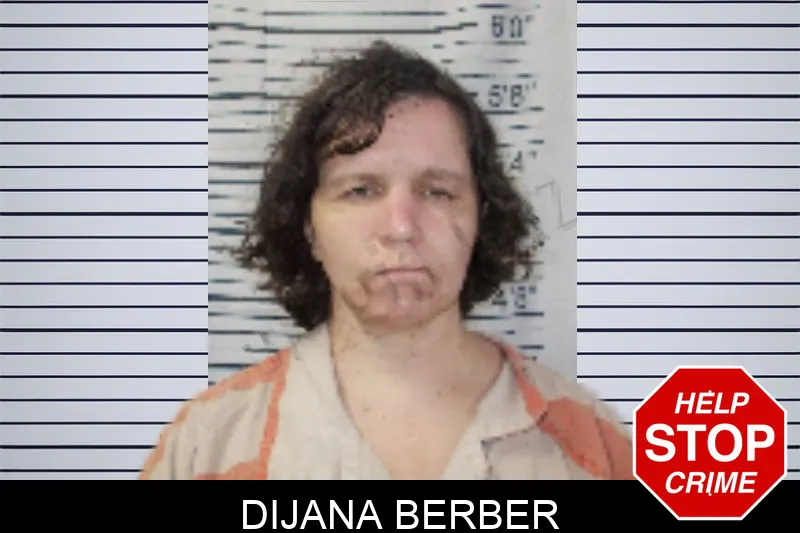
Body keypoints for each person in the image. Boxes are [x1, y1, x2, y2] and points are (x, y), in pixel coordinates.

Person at [139, 40, 633, 480]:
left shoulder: (594, 446)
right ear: (308, 228)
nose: (401, 226)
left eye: (437, 192)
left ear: (481, 219)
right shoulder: (207, 447)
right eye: (360, 190)